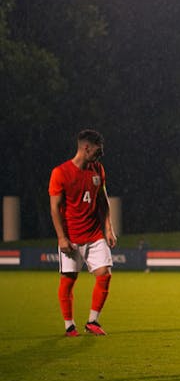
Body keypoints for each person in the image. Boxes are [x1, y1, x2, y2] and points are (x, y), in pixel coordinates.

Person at [49, 129, 117, 336]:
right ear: (86, 148)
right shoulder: (60, 173)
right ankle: (69, 325)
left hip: (94, 234)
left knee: (104, 275)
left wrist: (108, 227)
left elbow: (103, 200)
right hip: (71, 236)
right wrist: (61, 237)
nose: (101, 154)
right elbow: (55, 207)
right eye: (98, 150)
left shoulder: (98, 169)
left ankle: (92, 322)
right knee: (68, 280)